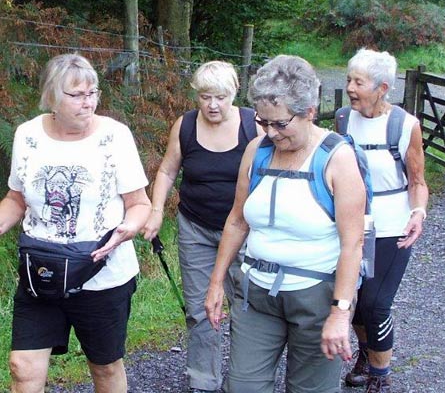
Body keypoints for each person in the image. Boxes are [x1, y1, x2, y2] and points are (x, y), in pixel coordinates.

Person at [204, 55, 365, 393]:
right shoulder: (256, 151)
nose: (271, 133)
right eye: (264, 122)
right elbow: (237, 220)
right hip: (255, 293)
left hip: (317, 296)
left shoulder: (337, 159)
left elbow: (353, 244)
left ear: (309, 111)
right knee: (243, 387)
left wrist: (340, 313)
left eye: (280, 124)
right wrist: (216, 282)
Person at [3, 53, 151, 392]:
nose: (89, 102)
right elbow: (16, 199)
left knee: (104, 368)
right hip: (41, 272)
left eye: (93, 93)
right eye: (77, 95)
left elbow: (139, 204)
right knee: (21, 367)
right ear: (53, 96)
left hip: (101, 273)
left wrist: (125, 231)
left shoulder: (115, 136)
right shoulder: (28, 135)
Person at [142, 61, 262, 392]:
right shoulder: (186, 126)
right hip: (195, 227)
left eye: (220, 97)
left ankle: (243, 378)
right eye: (205, 97)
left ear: (235, 93)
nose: (212, 105)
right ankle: (203, 380)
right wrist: (155, 211)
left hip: (244, 231)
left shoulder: (254, 126)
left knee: (245, 305)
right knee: (199, 306)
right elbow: (167, 171)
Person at [341, 49, 428, 392]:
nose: (349, 87)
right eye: (349, 79)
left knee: (376, 303)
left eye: (357, 82)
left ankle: (380, 375)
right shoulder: (343, 119)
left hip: (392, 225)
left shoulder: (405, 126)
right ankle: (366, 353)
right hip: (351, 223)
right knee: (355, 303)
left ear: (382, 87)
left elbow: (418, 182)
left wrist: (418, 214)